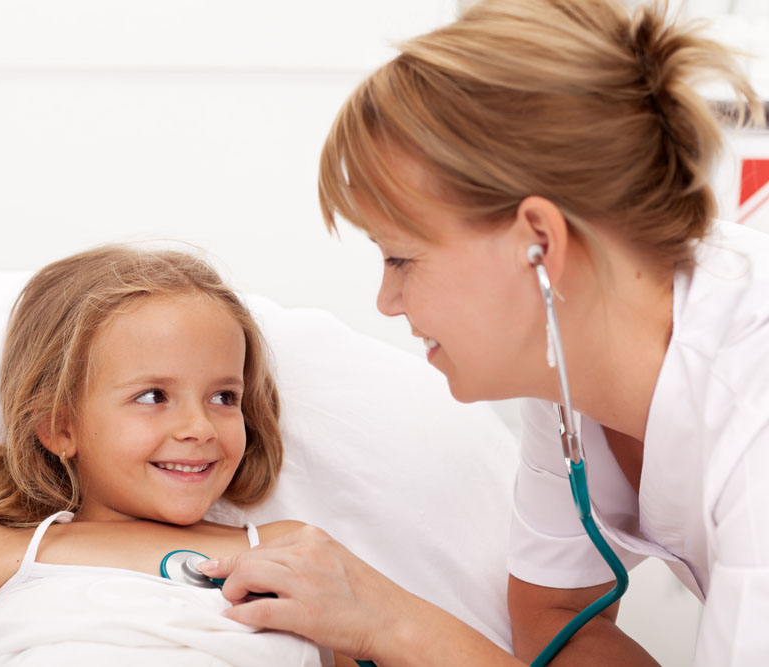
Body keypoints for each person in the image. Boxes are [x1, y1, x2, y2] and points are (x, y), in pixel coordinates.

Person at [197, 0, 769, 664]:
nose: (386, 301)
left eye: (400, 258)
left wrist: (390, 620)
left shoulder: (753, 418)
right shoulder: (567, 357)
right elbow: (554, 619)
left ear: (539, 244)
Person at [0, 246, 338, 666]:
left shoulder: (289, 550)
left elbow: (375, 642)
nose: (201, 427)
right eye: (153, 396)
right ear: (59, 426)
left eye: (224, 397)